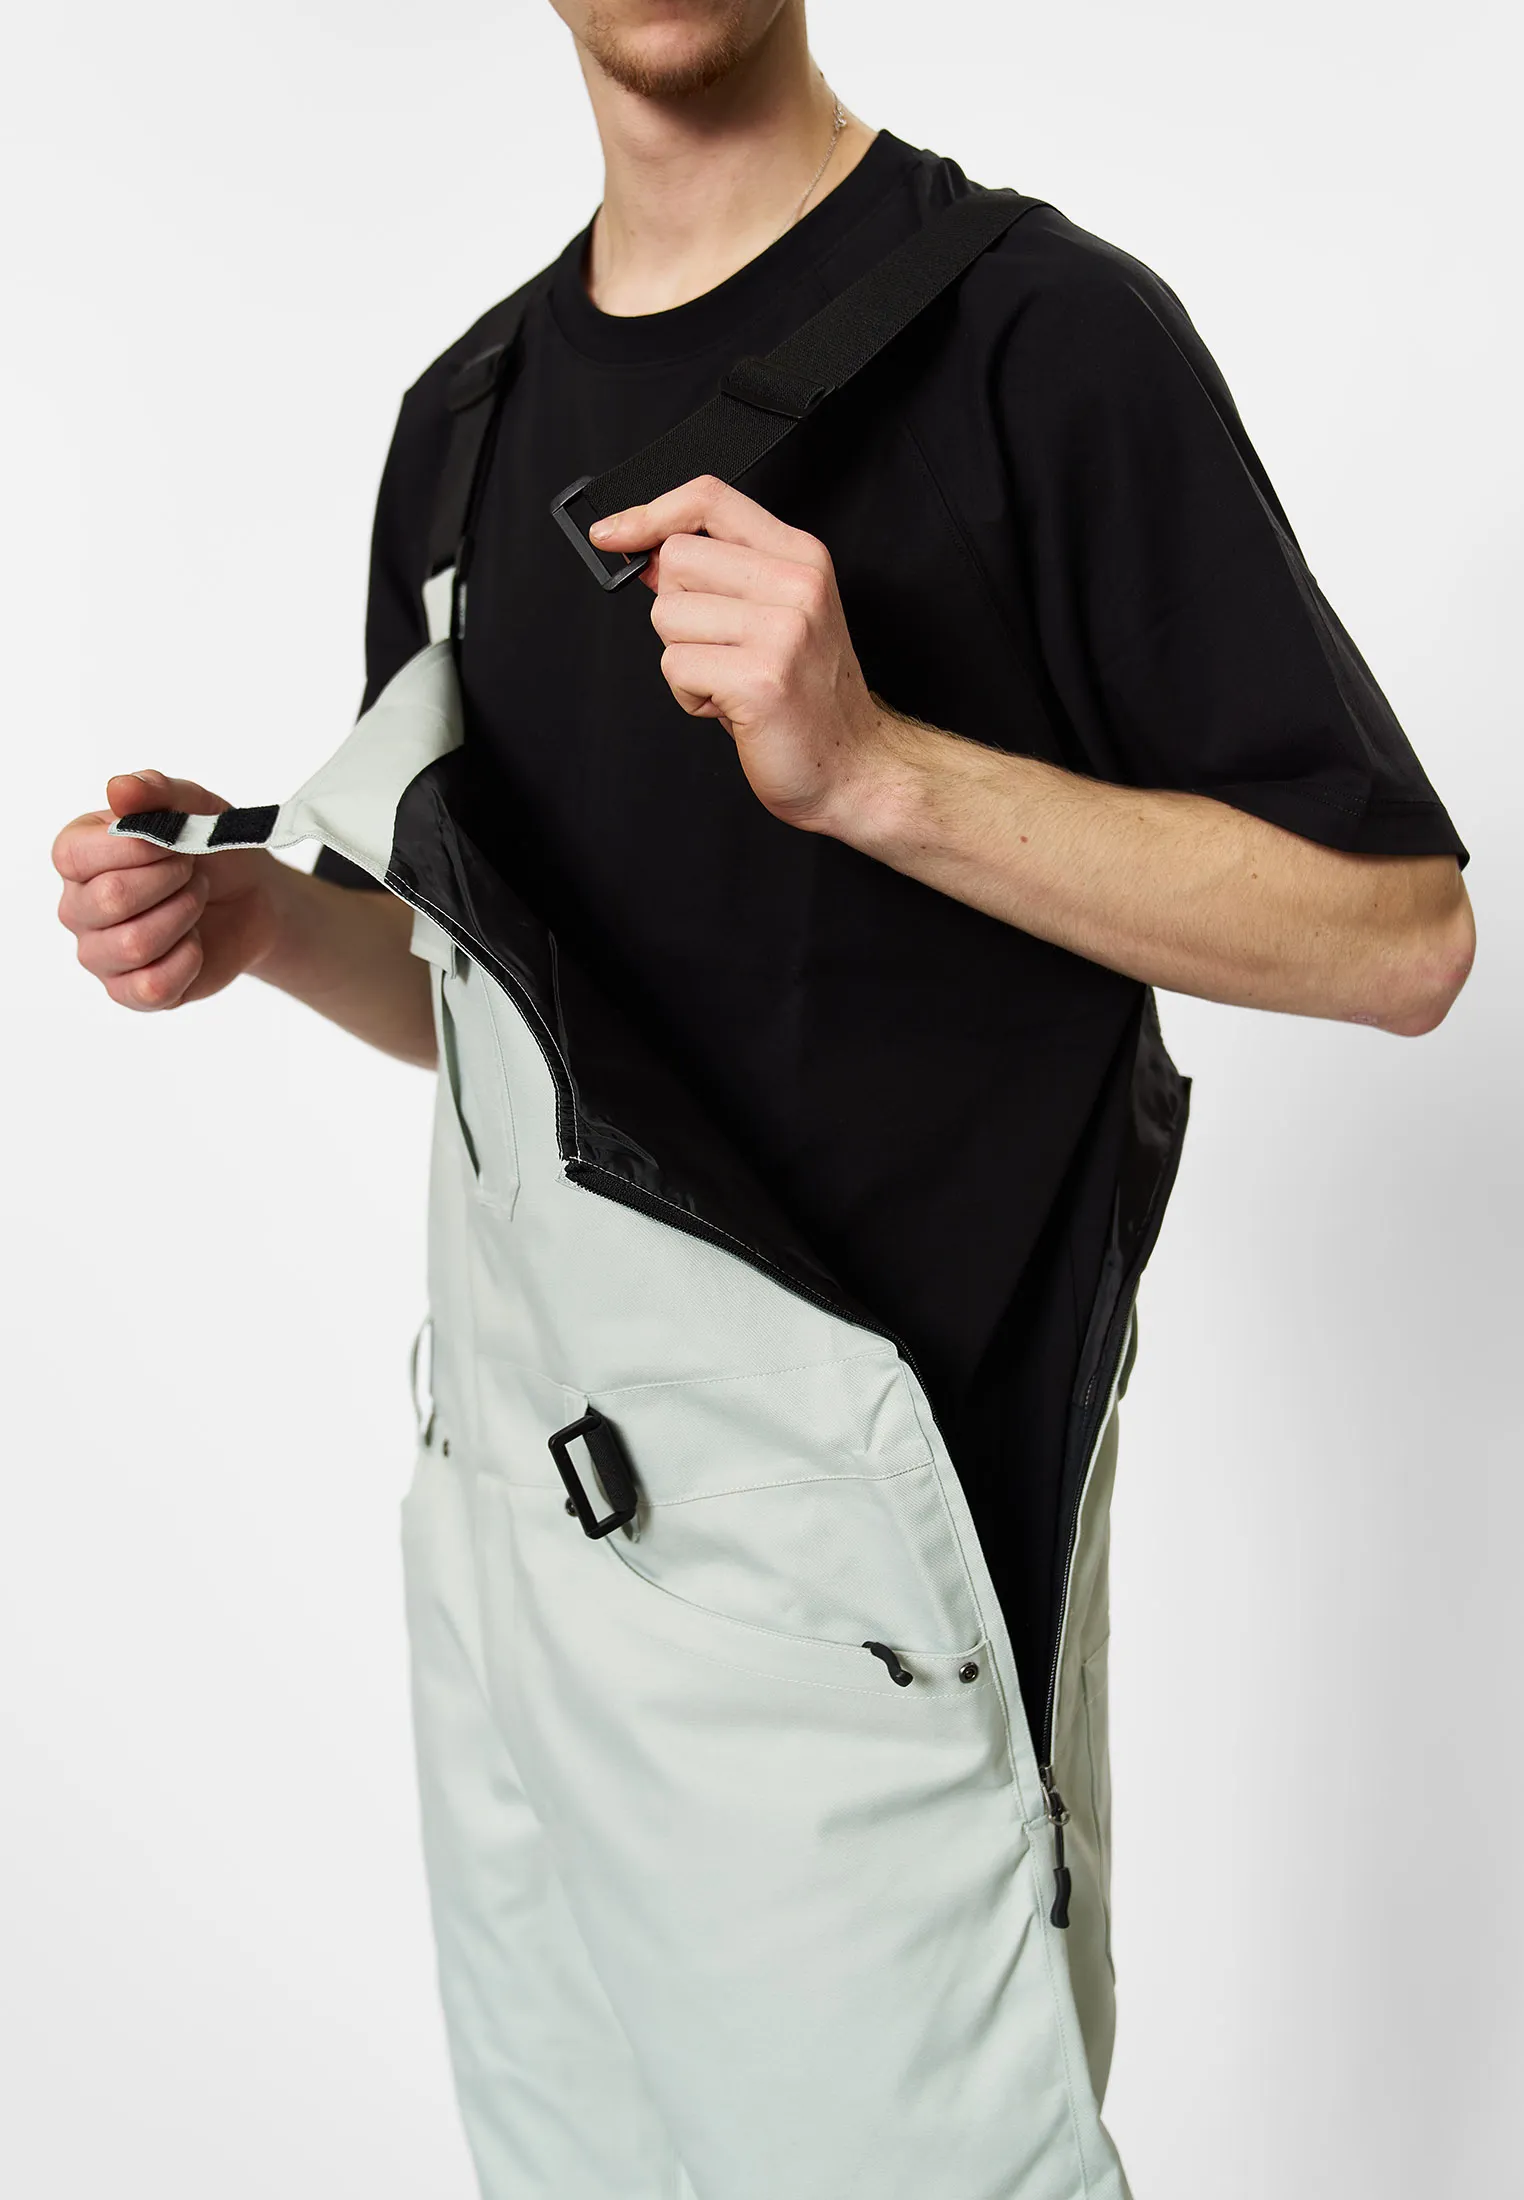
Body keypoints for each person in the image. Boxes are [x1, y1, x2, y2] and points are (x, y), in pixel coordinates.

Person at [52, 3, 1473, 2194]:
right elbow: (525, 1032)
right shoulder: (461, 422)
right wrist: (256, 929)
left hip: (865, 1635)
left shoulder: (1044, 341)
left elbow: (1396, 934)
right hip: (518, 1594)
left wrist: (873, 768)